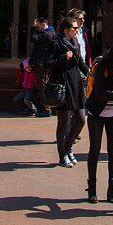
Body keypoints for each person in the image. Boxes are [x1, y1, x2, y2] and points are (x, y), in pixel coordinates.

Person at [84, 39, 113, 205]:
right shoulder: (102, 66)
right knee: (95, 150)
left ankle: (112, 190)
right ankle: (92, 188)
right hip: (97, 113)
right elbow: (101, 92)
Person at [44, 16, 88, 168]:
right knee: (63, 123)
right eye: (75, 28)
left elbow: (80, 62)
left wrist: (90, 73)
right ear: (66, 30)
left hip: (75, 83)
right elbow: (47, 64)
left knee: (81, 119)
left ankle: (68, 147)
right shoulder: (56, 43)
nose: (77, 30)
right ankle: (62, 155)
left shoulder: (75, 43)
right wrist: (63, 57)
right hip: (63, 84)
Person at [27, 18, 56, 118]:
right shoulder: (44, 33)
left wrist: (33, 28)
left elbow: (33, 38)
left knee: (42, 87)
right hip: (39, 64)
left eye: (38, 26)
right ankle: (42, 109)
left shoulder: (48, 33)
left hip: (43, 65)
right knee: (39, 87)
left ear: (43, 24)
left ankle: (46, 110)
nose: (37, 28)